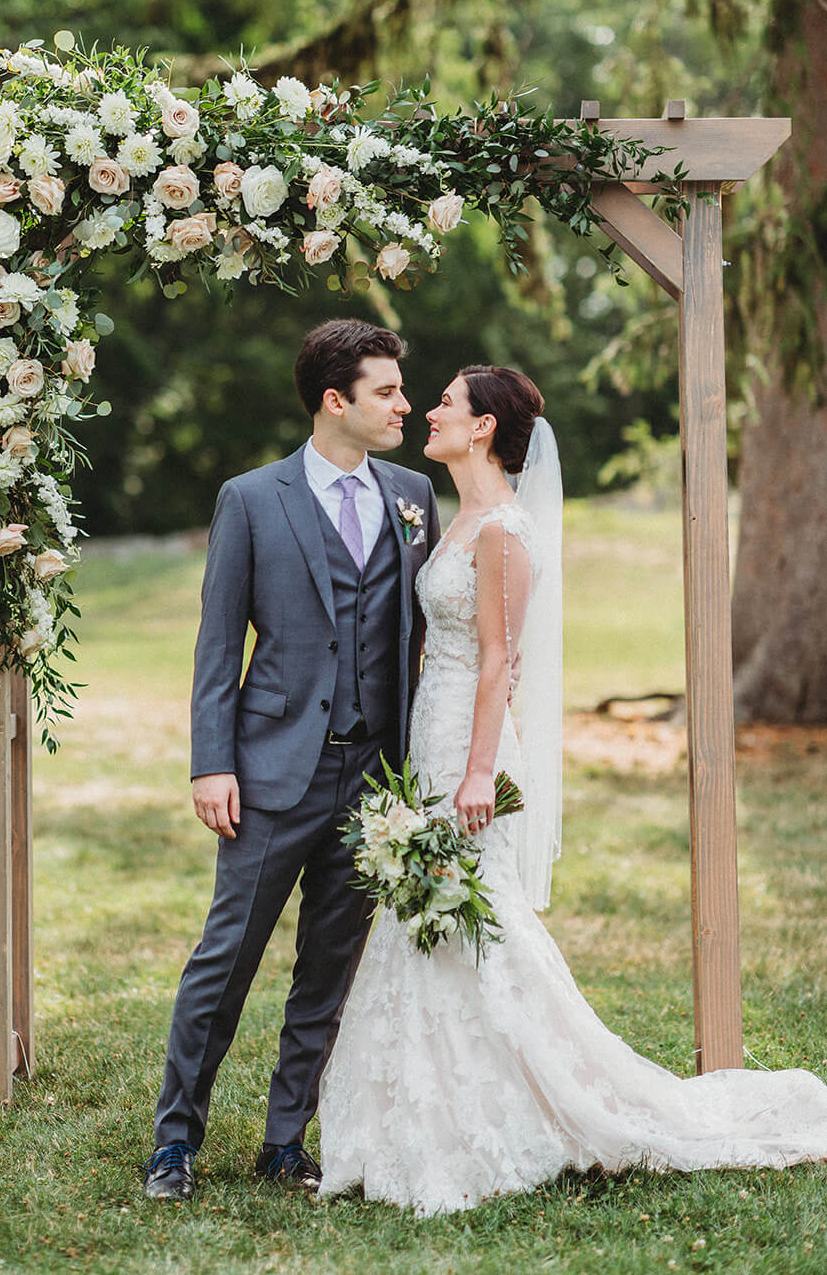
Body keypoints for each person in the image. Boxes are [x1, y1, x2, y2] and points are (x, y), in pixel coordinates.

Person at [317, 364, 827, 1216]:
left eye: (444, 402)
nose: (429, 413)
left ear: (481, 428)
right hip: (430, 738)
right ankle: (429, 1110)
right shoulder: (458, 521)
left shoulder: (503, 533)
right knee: (436, 920)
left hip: (468, 751)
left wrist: (477, 771)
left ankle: (531, 1108)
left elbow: (497, 663)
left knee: (478, 922)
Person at [142, 319, 440, 1201]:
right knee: (224, 960)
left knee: (329, 969)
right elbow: (215, 641)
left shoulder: (413, 493)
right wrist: (210, 761)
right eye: (386, 392)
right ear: (334, 401)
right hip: (272, 769)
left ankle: (285, 1140)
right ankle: (173, 1143)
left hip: (373, 777)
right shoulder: (251, 498)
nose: (403, 405)